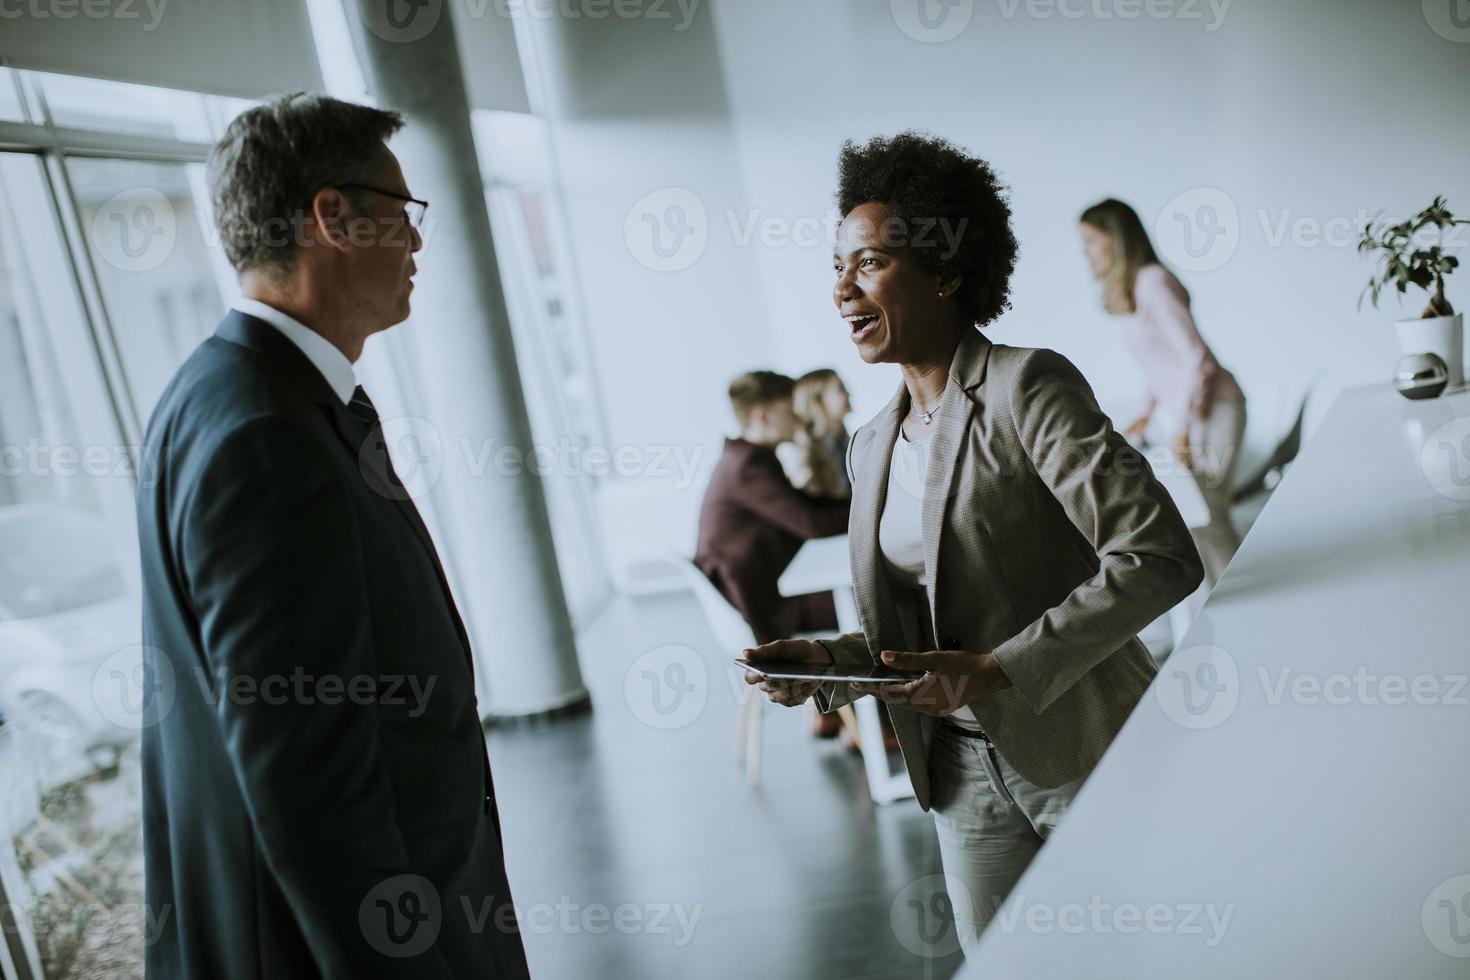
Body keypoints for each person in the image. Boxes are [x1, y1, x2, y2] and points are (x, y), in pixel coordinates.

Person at [743, 132, 1204, 954]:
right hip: (959, 781)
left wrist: (996, 670)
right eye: (837, 267)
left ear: (947, 271)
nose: (843, 288)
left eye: (869, 264)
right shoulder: (870, 444)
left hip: (1080, 748)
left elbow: (1158, 555)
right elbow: (920, 637)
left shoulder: (1029, 386)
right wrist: (833, 664)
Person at [136, 94, 529, 979]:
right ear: (332, 219)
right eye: (402, 214)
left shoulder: (231, 391)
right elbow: (307, 778)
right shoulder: (264, 433)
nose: (418, 243)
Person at [1079, 198, 1248, 587]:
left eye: (1091, 240)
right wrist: (1146, 411)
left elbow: (1196, 357)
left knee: (1206, 510)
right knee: (1204, 512)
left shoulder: (1154, 281)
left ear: (1115, 238)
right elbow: (1160, 366)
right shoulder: (1136, 289)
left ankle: (1234, 594)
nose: (1086, 252)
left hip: (1218, 408)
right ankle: (1227, 595)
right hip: (1197, 412)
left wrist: (1183, 429)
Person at [694, 371, 850, 646]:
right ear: (762, 417)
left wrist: (864, 502)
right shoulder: (748, 467)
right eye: (791, 409)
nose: (799, 417)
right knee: (877, 596)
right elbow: (812, 524)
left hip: (767, 590)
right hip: (766, 608)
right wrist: (871, 509)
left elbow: (804, 506)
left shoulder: (748, 458)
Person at [777, 368, 853, 499]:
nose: (848, 394)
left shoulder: (846, 441)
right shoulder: (798, 449)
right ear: (817, 400)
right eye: (840, 389)